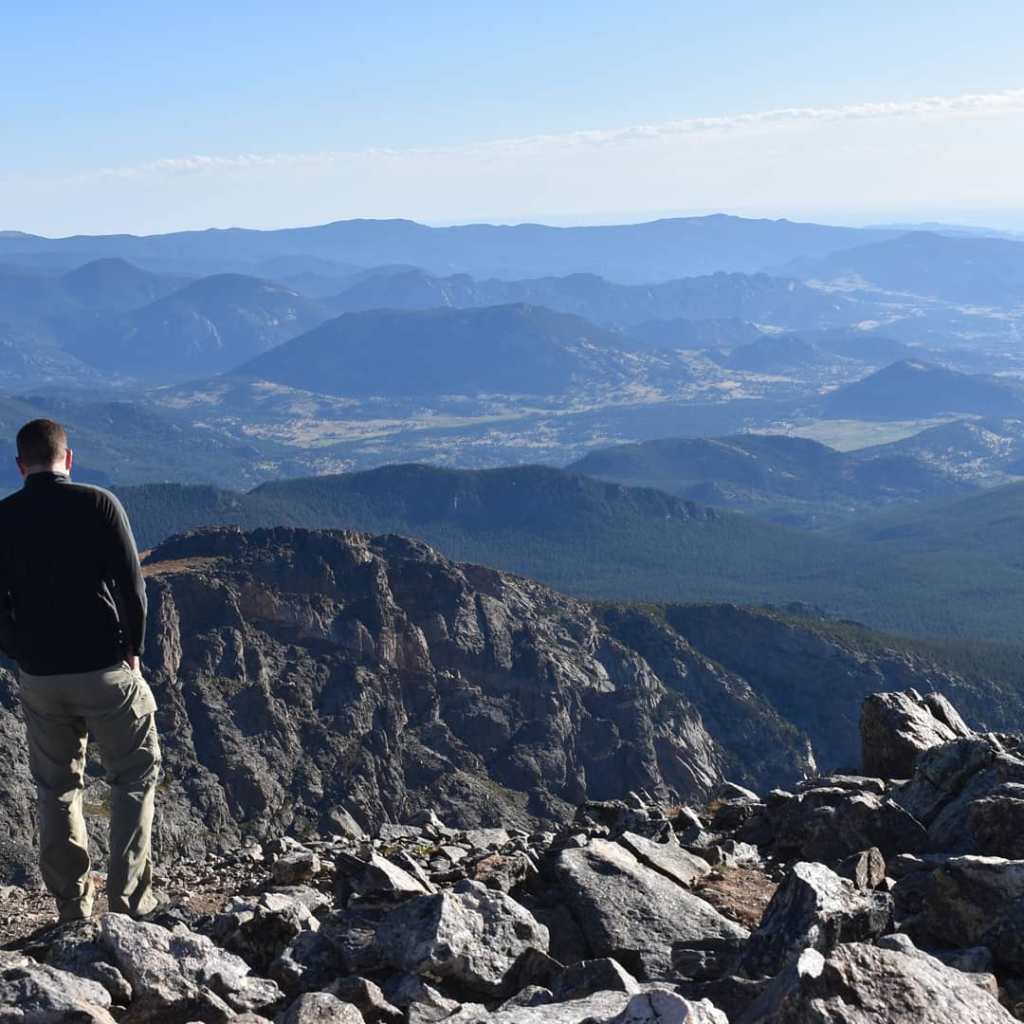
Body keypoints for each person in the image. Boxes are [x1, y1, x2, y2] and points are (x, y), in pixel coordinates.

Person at [0, 419, 160, 921]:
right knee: (133, 774)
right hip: (104, 669)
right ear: (68, 459)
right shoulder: (98, 504)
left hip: (41, 679)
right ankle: (130, 900)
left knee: (56, 787)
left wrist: (20, 654)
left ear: (20, 465)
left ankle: (72, 905)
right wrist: (133, 650)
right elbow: (132, 588)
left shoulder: (3, 517)